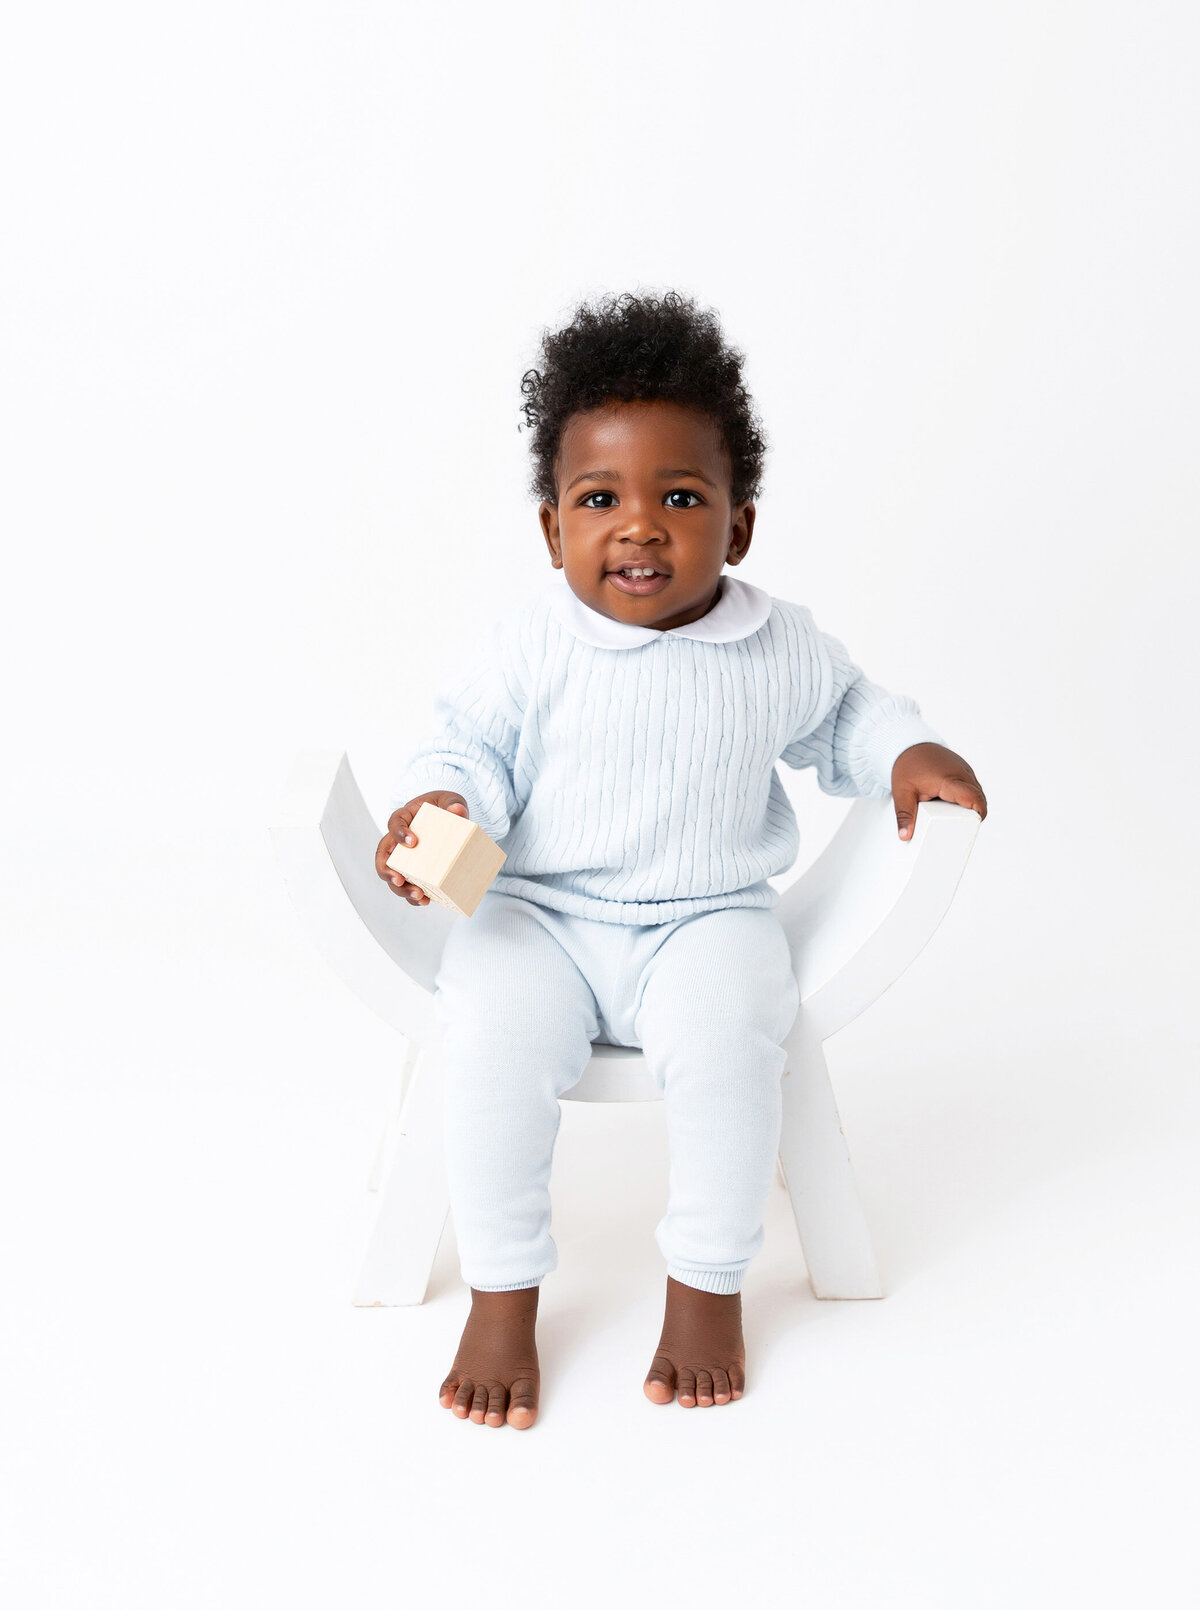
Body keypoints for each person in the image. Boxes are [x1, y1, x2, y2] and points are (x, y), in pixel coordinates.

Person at [374, 290, 988, 1430]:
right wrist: (442, 808)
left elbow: (849, 715)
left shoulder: (770, 640)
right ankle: (503, 1290)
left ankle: (708, 1283)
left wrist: (905, 748)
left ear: (738, 527)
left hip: (706, 918)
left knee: (729, 1044)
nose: (640, 526)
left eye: (681, 498)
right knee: (492, 1036)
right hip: (539, 916)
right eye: (600, 499)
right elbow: (469, 749)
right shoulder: (530, 643)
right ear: (555, 530)